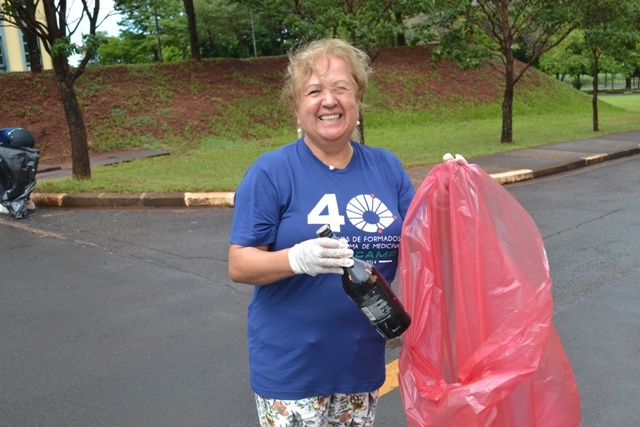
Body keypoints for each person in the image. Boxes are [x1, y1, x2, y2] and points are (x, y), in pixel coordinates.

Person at [227, 38, 415, 426]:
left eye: (341, 88)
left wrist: (455, 188)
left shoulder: (387, 168)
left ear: (358, 99)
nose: (329, 100)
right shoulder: (271, 172)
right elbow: (240, 264)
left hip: (360, 366)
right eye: (314, 91)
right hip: (291, 372)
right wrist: (297, 258)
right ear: (297, 107)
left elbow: (426, 241)